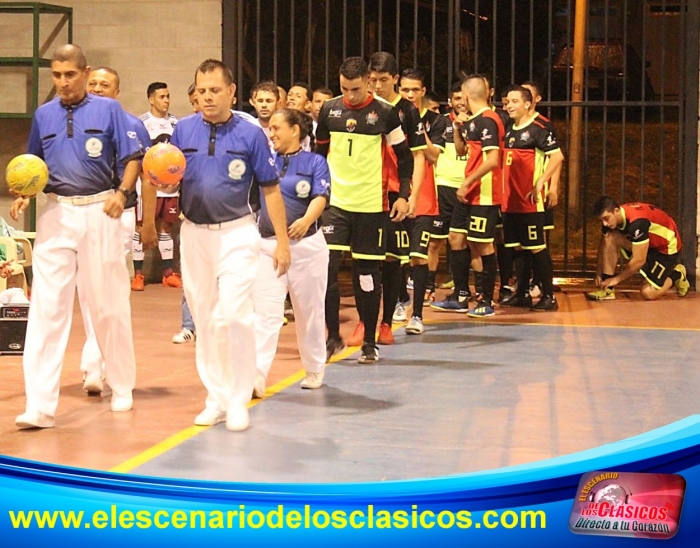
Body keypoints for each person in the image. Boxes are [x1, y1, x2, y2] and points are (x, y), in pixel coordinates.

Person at [11, 44, 141, 429]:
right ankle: (40, 405)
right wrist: (23, 195)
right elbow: (34, 166)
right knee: (47, 308)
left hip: (102, 209)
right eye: (57, 75)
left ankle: (121, 385)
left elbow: (133, 157)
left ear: (85, 74)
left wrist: (122, 193)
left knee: (107, 304)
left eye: (70, 74)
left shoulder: (110, 110)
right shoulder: (43, 115)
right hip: (57, 213)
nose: (64, 82)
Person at [171, 59, 290, 432]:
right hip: (193, 233)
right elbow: (169, 177)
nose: (207, 97)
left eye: (215, 90)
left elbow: (271, 188)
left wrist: (283, 241)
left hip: (238, 232)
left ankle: (238, 400)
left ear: (232, 92)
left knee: (233, 315)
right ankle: (215, 398)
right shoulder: (182, 130)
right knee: (205, 319)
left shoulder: (251, 133)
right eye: (201, 90)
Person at [316, 56, 413, 364]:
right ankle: (332, 336)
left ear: (369, 83)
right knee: (327, 269)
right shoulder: (328, 110)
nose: (350, 95)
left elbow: (404, 157)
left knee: (367, 275)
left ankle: (369, 342)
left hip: (372, 206)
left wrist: (402, 195)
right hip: (336, 204)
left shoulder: (385, 114)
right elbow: (318, 154)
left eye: (356, 89)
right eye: (344, 88)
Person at [80, 66, 155, 393]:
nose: (97, 88)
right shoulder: (75, 121)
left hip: (118, 213)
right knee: (86, 287)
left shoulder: (132, 125)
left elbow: (148, 177)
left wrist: (148, 221)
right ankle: (97, 358)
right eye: (93, 83)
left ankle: (97, 360)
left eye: (104, 84)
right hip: (80, 214)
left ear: (117, 92)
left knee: (107, 285)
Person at [253, 108, 330, 394]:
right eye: (269, 129)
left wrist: (306, 220)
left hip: (307, 247)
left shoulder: (315, 162)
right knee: (266, 313)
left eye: (276, 128)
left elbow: (321, 196)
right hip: (268, 245)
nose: (270, 134)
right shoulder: (264, 161)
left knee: (309, 311)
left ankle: (314, 368)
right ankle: (257, 375)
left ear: (295, 130)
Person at [365, 51, 425, 344]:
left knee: (391, 261)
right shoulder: (362, 106)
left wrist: (411, 195)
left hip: (393, 194)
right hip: (364, 193)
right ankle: (365, 324)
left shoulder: (407, 110)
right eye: (373, 79)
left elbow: (417, 155)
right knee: (365, 261)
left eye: (384, 80)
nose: (377, 85)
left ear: (396, 79)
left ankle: (386, 323)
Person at [432, 75, 504, 317]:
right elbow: (463, 150)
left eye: (461, 95)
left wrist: (468, 182)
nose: (459, 100)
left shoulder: (489, 120)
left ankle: (486, 300)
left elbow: (493, 160)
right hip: (470, 192)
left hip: (484, 193)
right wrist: (456, 128)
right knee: (455, 238)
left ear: (468, 95)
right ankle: (460, 295)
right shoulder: (473, 121)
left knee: (481, 244)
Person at [499, 85, 564, 311]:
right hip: (511, 201)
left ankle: (548, 296)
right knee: (517, 249)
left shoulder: (538, 130)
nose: (509, 106)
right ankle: (522, 292)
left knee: (537, 248)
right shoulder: (508, 130)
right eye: (507, 102)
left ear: (527, 104)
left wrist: (542, 181)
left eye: (515, 101)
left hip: (530, 202)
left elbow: (557, 157)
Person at [399, 68, 446, 334]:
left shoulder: (437, 121)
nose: (409, 94)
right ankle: (398, 301)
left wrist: (417, 126)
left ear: (423, 91)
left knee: (419, 257)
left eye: (414, 90)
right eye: (405, 90)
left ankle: (416, 315)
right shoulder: (391, 116)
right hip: (396, 195)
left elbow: (432, 156)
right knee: (394, 257)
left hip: (425, 197)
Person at [586, 196, 689, 301]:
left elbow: (639, 260)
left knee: (647, 293)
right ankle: (607, 290)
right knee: (610, 237)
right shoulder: (612, 220)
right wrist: (599, 274)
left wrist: (616, 279)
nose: (604, 223)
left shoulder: (637, 222)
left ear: (616, 211)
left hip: (666, 249)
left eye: (606, 218)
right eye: (601, 220)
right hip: (648, 243)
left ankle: (677, 273)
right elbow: (603, 246)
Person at [133, 82, 181, 291]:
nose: (166, 100)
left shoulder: (177, 123)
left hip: (171, 187)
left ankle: (168, 274)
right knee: (141, 227)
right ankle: (138, 275)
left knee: (166, 228)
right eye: (162, 97)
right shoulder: (141, 123)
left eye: (168, 96)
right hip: (149, 186)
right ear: (151, 99)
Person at [432, 82, 470, 293]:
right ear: (450, 102)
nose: (461, 103)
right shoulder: (441, 122)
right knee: (435, 240)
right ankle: (428, 286)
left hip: (468, 188)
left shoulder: (478, 122)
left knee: (468, 242)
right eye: (457, 99)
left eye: (464, 98)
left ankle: (468, 287)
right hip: (443, 186)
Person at [172, 83, 202, 345]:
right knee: (190, 280)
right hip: (191, 219)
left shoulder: (239, 128)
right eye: (195, 99)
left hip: (228, 224)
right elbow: (173, 172)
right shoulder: (183, 129)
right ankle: (188, 325)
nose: (200, 103)